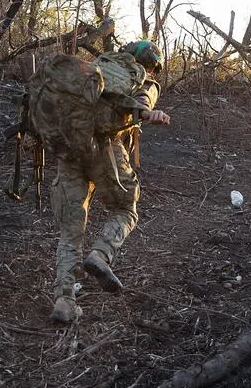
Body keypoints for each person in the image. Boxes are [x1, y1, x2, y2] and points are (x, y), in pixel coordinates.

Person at [50, 40, 170, 324]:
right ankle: (101, 254)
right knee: (126, 208)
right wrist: (149, 114)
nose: (151, 72)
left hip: (68, 147)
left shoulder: (94, 68)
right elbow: (143, 102)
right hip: (104, 150)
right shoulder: (143, 79)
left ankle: (64, 300)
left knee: (71, 229)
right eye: (153, 67)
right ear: (149, 64)